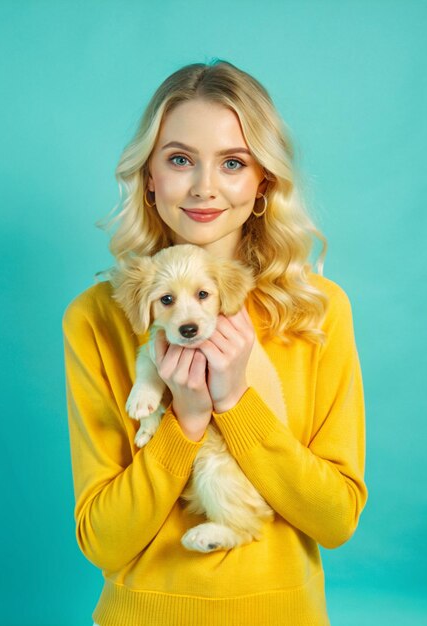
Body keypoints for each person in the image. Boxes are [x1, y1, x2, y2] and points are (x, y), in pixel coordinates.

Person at [63, 59, 367, 626]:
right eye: (180, 160)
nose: (204, 187)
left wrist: (234, 402)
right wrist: (187, 419)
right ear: (149, 177)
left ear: (262, 184)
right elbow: (102, 542)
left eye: (233, 163)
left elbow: (337, 520)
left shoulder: (317, 311)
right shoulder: (96, 317)